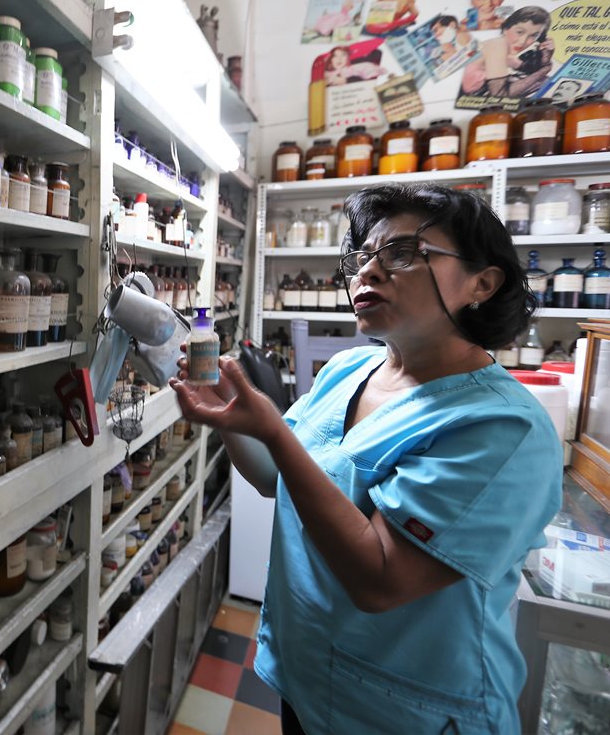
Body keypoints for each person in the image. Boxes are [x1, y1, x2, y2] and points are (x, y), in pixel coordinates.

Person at [171, 184, 562, 734]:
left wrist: (274, 434)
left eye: (403, 253)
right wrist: (230, 420)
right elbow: (269, 478)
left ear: (482, 283)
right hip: (309, 676)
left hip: (405, 711)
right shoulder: (349, 370)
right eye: (362, 256)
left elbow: (378, 578)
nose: (368, 272)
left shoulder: (502, 428)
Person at [461, 6, 554, 99]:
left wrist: (547, 53)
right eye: (519, 32)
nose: (523, 41)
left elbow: (525, 67)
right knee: (543, 81)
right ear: (506, 28)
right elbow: (499, 95)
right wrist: (543, 71)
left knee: (544, 81)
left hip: (479, 94)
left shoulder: (506, 52)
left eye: (534, 36)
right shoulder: (497, 45)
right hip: (472, 98)